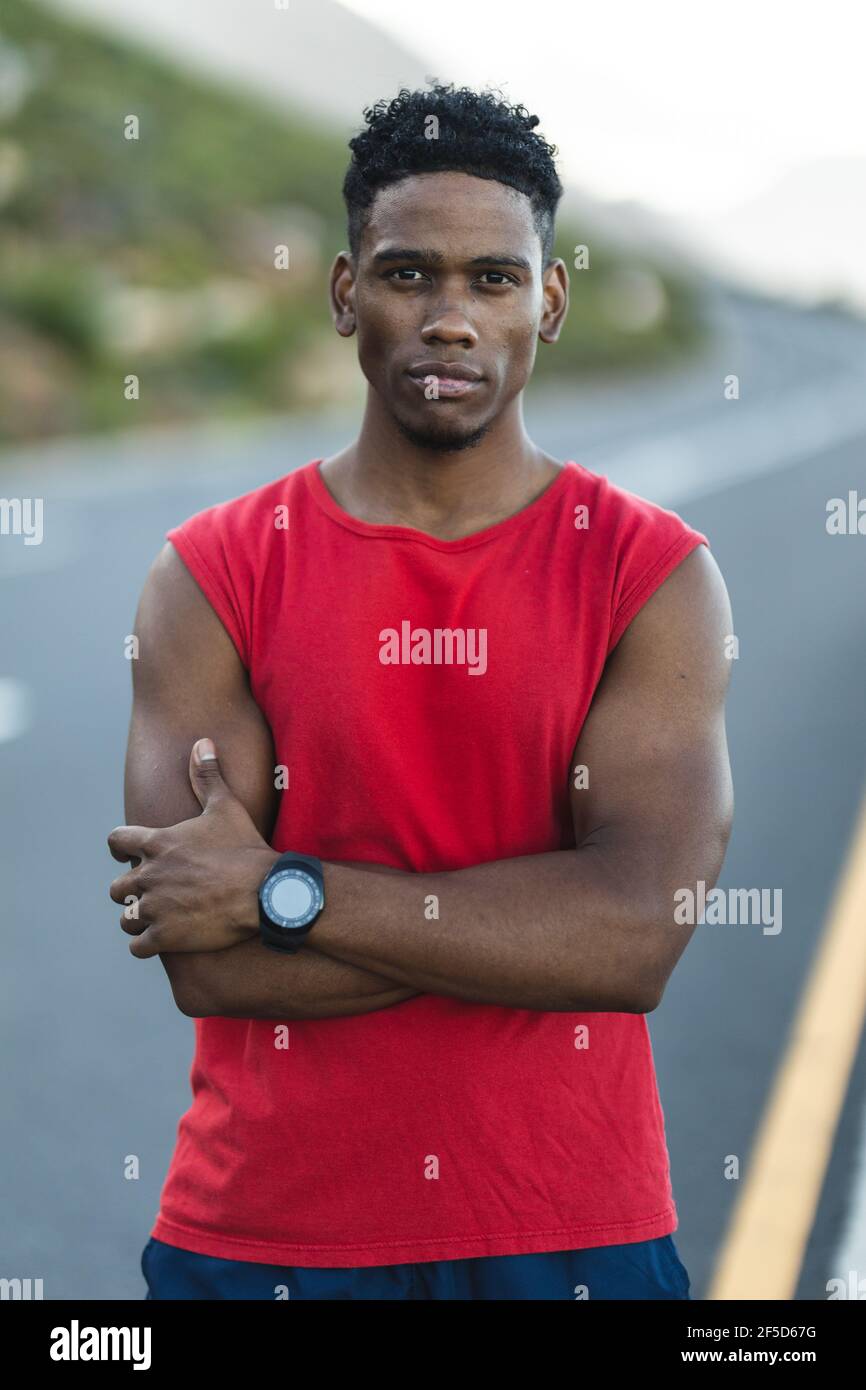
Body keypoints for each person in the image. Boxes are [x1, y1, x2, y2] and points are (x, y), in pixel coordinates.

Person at [108, 82, 734, 1301]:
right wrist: (534, 925)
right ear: (346, 295)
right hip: (263, 1235)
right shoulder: (210, 573)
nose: (451, 317)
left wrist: (280, 890)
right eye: (408, 274)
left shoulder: (651, 574)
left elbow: (631, 939)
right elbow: (207, 962)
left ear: (547, 305)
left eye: (493, 280)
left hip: (568, 1223)